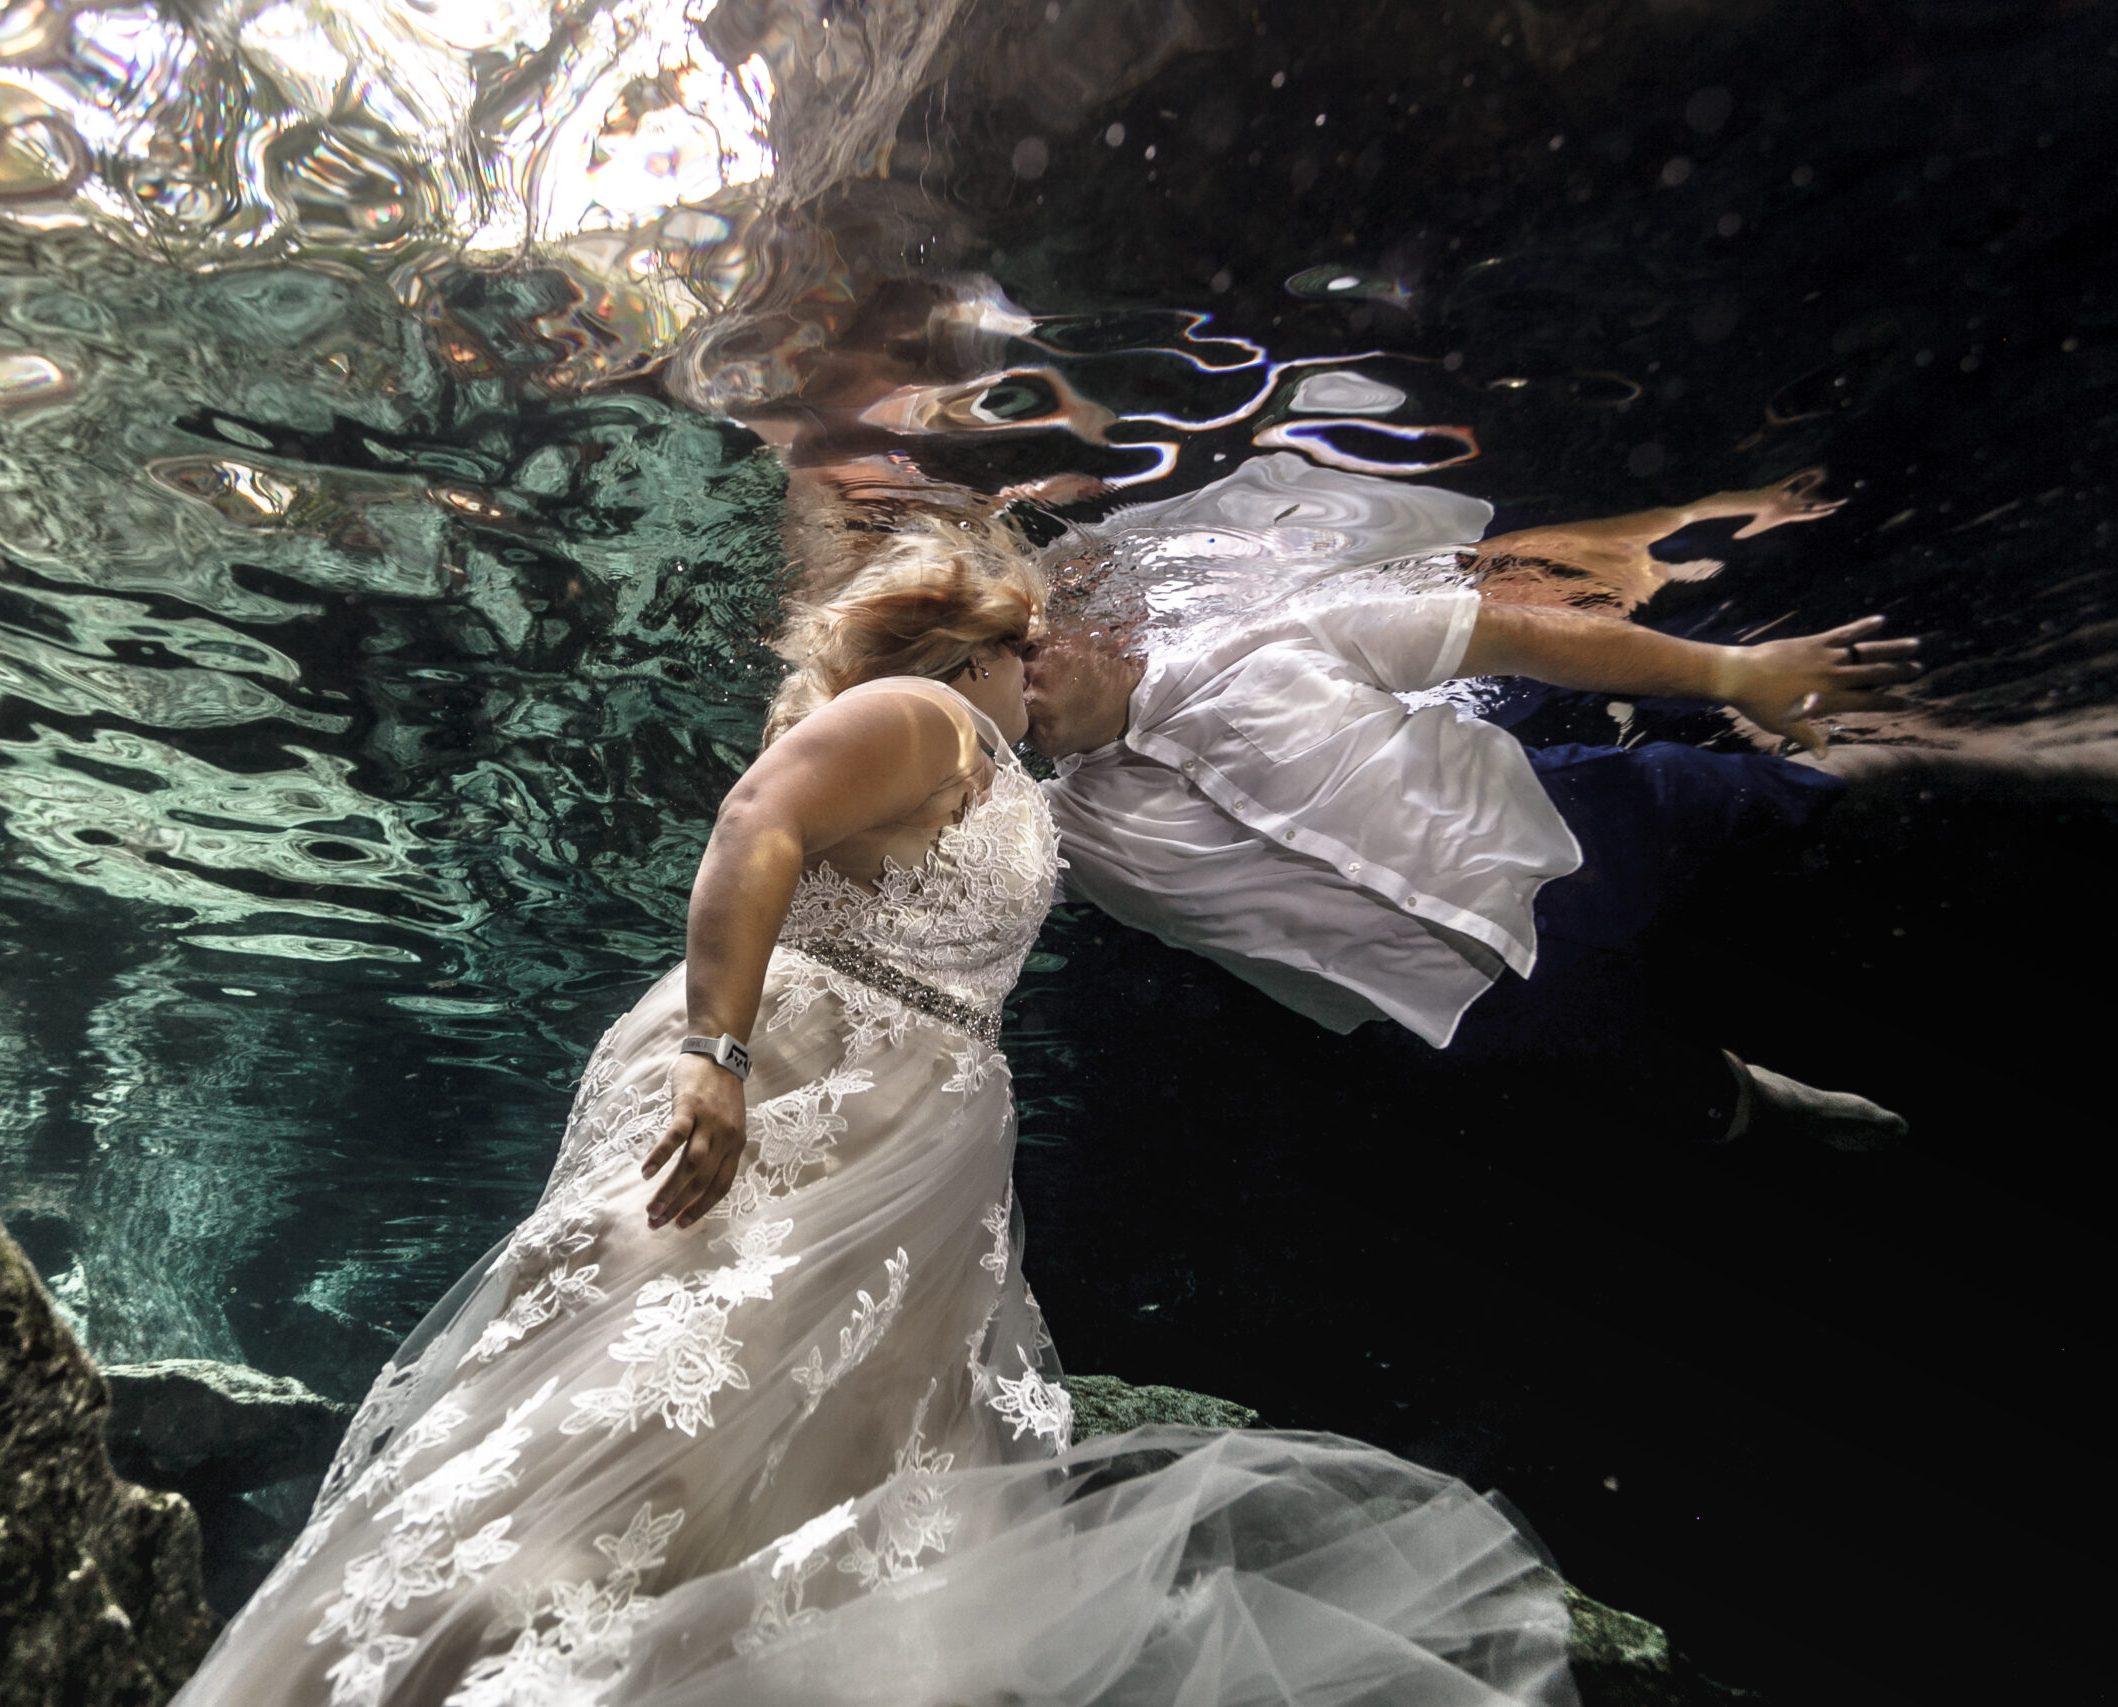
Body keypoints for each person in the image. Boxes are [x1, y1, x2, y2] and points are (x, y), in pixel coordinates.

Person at [173, 518, 1574, 1707]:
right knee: (656, 1384)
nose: (1046, 680)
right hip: (804, 1068)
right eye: (1032, 652)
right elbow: (753, 823)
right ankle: (438, 1659)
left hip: (909, 1114)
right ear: (982, 651)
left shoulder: (995, 762)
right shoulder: (922, 715)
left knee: (810, 1429)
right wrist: (715, 1053)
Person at [1024, 568, 1925, 1146]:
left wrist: (1732, 674)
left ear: (1109, 623)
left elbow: (1508, 634)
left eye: (1029, 649)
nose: (1016, 677)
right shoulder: (1054, 831)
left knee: (1831, 807)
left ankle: (1998, 763)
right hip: (1467, 1010)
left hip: (1576, 830)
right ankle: (1780, 1105)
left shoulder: (1262, 639)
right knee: (1691, 1105)